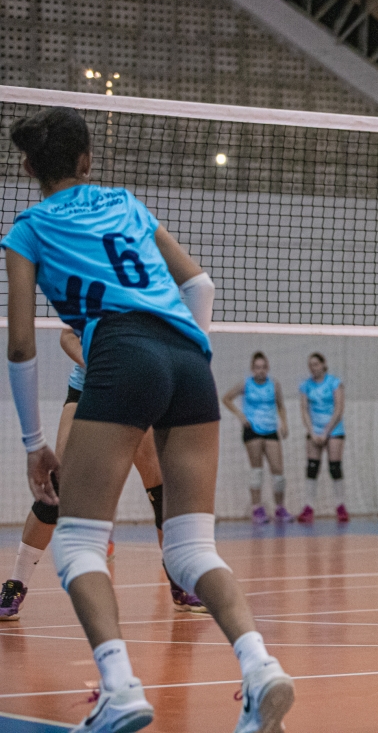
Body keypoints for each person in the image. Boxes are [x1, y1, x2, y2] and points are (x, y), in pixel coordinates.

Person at [4, 106, 292, 732]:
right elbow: (201, 286)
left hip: (120, 352)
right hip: (189, 356)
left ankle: (120, 688)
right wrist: (191, 361)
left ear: (27, 167)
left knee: (78, 543)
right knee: (192, 549)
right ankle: (261, 666)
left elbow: (22, 344)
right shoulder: (126, 204)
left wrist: (32, 442)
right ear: (87, 161)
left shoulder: (27, 229)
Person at [0, 331, 206, 620]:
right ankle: (16, 583)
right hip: (88, 389)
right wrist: (96, 363)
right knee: (58, 488)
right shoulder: (94, 302)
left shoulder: (149, 308)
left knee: (162, 491)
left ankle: (179, 580)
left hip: (137, 395)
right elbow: (67, 336)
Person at [223, 352, 292, 524]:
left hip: (270, 430)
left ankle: (280, 508)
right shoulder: (246, 384)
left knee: (278, 471)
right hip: (252, 430)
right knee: (257, 470)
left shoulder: (274, 384)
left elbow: (281, 406)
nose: (260, 370)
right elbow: (226, 398)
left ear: (267, 368)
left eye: (263, 367)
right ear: (252, 369)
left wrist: (284, 423)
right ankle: (257, 509)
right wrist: (240, 416)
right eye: (257, 367)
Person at [297, 352, 348, 524]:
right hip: (315, 430)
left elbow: (339, 408)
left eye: (316, 364)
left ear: (323, 364)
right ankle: (309, 507)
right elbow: (304, 410)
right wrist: (312, 432)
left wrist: (326, 431)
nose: (313, 368)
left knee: (335, 467)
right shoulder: (306, 386)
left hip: (333, 429)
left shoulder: (334, 383)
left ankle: (340, 506)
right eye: (310, 365)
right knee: (312, 468)